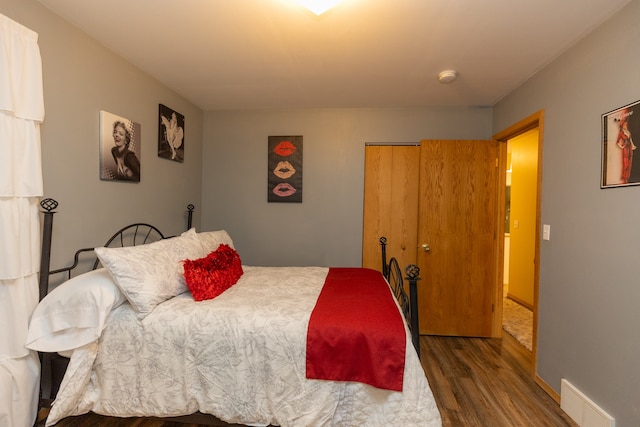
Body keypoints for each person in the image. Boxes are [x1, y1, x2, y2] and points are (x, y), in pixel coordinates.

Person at [615, 112, 636, 184]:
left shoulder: (628, 132)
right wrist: (621, 146)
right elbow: (617, 142)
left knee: (630, 162)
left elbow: (630, 139)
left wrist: (633, 145)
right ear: (623, 125)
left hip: (629, 147)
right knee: (626, 162)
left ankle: (627, 177)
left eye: (626, 124)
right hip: (625, 148)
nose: (626, 125)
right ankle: (624, 176)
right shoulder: (621, 133)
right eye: (625, 124)